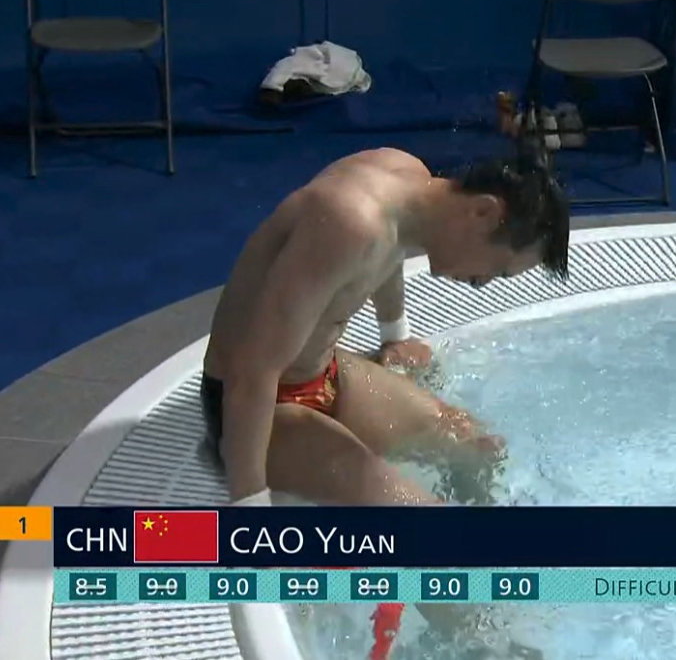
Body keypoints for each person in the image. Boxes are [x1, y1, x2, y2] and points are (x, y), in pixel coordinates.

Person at [201, 145, 569, 509]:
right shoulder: (348, 221)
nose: (483, 283)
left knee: (477, 446)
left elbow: (390, 250)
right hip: (254, 409)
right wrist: (250, 506)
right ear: (483, 212)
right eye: (499, 270)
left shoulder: (403, 179)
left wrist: (395, 335)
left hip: (324, 375)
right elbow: (251, 372)